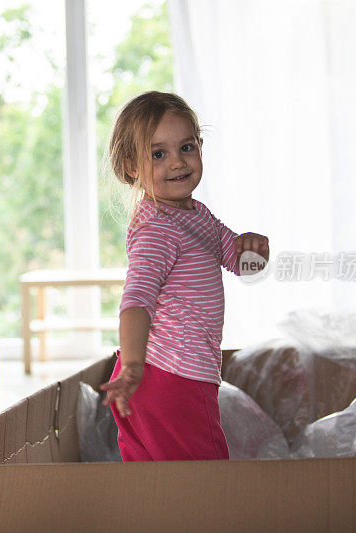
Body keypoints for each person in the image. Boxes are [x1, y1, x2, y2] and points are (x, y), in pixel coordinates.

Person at [99, 91, 270, 462]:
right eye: (158, 154)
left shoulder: (195, 216)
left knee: (158, 486)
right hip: (171, 379)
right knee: (205, 486)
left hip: (155, 378)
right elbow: (136, 302)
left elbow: (240, 263)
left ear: (201, 146)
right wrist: (132, 366)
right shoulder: (158, 229)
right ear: (131, 165)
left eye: (187, 147)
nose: (177, 162)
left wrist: (254, 250)